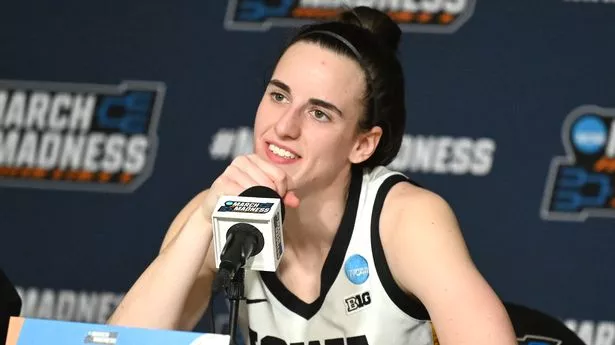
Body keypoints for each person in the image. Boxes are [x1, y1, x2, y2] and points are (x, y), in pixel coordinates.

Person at [107, 6, 518, 345]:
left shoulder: (405, 220)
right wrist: (202, 222)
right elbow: (123, 341)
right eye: (279, 95)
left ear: (363, 144)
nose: (284, 127)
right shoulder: (220, 208)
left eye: (319, 113)